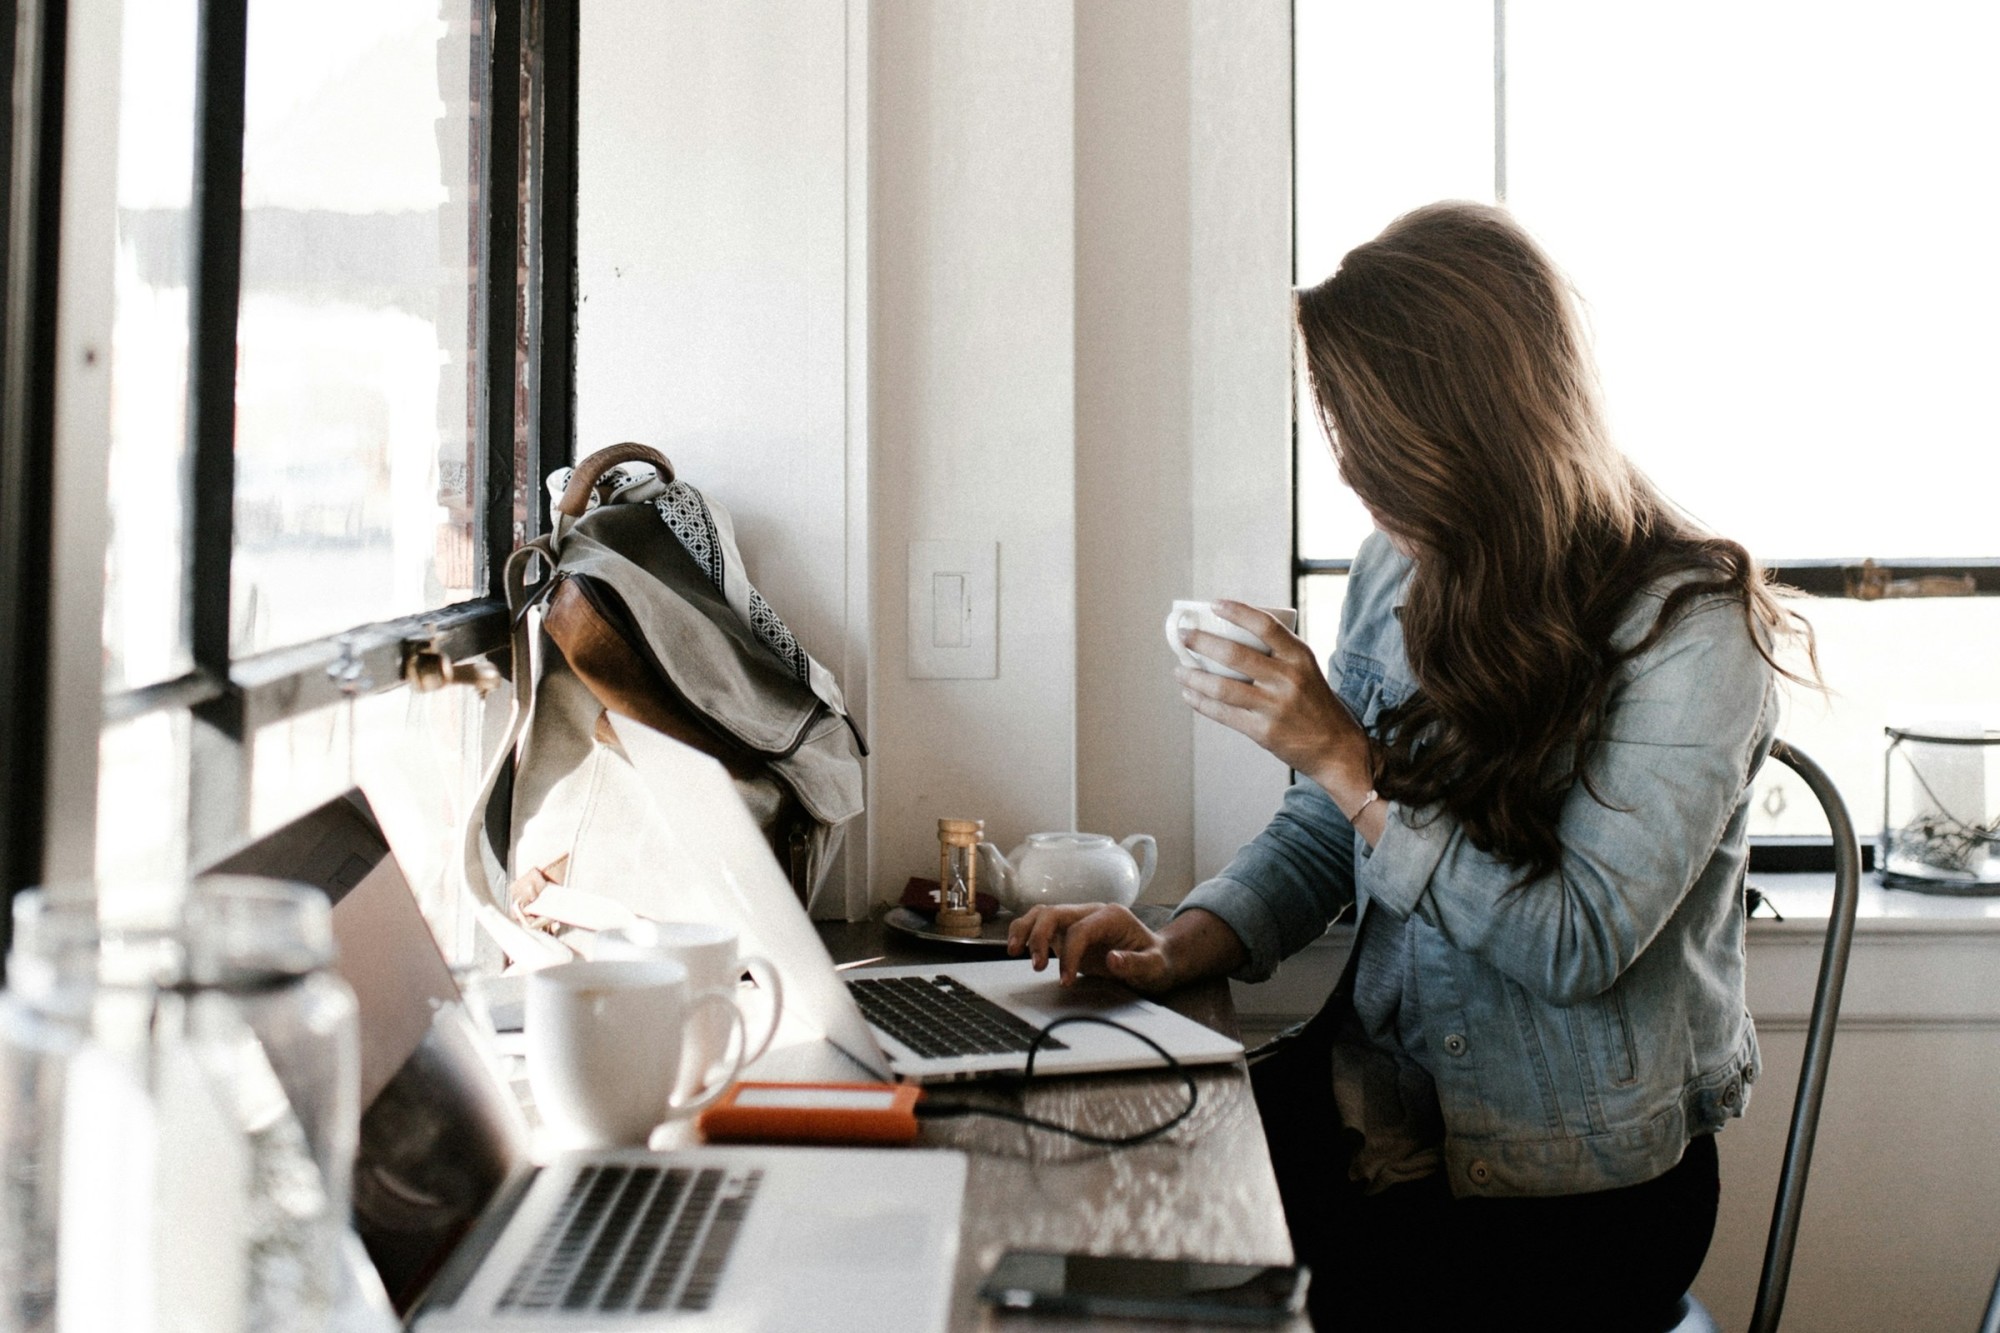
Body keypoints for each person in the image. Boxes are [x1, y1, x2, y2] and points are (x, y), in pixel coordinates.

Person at [1007, 201, 1815, 1331]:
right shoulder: (1401, 565)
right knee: (1067, 1196)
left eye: (1374, 446)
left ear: (1482, 429)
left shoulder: (1690, 628)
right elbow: (1319, 832)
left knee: (1171, 1279)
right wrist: (1181, 938)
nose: (1356, 480)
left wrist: (1345, 757)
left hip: (1566, 1191)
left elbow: (1570, 942)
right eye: (1343, 439)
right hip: (1375, 1108)